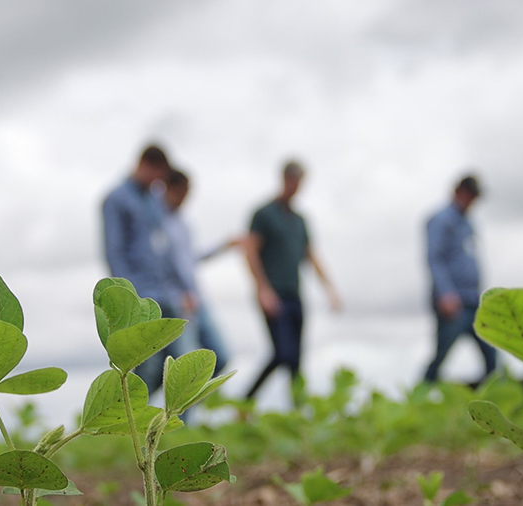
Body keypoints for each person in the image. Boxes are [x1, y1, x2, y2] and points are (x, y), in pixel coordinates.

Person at [243, 159, 342, 402]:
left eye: (300, 182)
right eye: (293, 180)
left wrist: (330, 289)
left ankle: (297, 417)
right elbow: (250, 250)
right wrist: (262, 289)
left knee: (296, 360)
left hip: (294, 294)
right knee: (283, 353)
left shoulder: (300, 221)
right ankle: (245, 401)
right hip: (273, 294)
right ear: (285, 179)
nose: (296, 186)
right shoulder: (264, 213)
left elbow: (310, 255)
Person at [101, 144, 196, 396]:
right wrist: (128, 297)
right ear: (145, 165)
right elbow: (114, 252)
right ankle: (130, 420)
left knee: (182, 363)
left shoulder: (154, 200)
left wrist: (184, 288)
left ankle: (178, 423)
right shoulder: (116, 199)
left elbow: (166, 251)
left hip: (167, 291)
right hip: (141, 293)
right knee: (148, 367)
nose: (159, 182)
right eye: (157, 175)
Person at [422, 174, 496, 386]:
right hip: (453, 301)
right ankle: (420, 397)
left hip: (473, 300)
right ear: (458, 193)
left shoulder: (468, 223)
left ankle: (489, 399)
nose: (471, 201)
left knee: (491, 355)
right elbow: (434, 258)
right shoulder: (440, 220)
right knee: (441, 355)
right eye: (469, 195)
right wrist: (446, 293)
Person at [162, 168, 238, 375]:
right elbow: (159, 266)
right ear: (169, 189)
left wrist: (224, 246)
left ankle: (184, 402)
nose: (183, 200)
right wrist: (177, 295)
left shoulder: (184, 224)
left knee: (220, 357)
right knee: (186, 370)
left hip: (196, 299)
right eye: (180, 194)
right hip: (176, 302)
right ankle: (177, 406)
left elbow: (191, 259)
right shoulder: (155, 222)